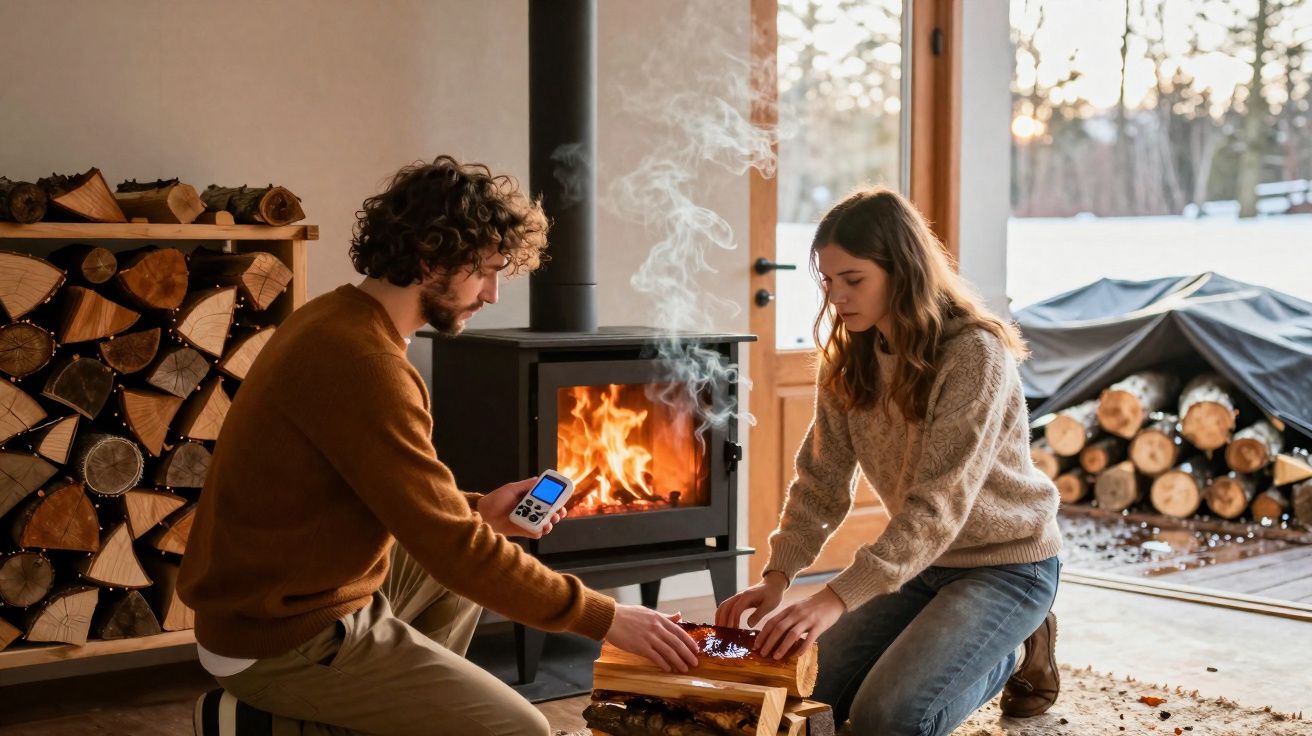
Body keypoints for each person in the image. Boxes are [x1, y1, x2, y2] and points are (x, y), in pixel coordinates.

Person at [180, 156, 699, 736]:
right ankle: (257, 723)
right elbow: (454, 547)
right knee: (521, 730)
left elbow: (414, 510)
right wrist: (606, 617)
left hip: (303, 594)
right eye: (485, 272)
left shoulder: (339, 318)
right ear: (431, 259)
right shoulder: (366, 364)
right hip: (281, 633)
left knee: (467, 557)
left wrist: (476, 511)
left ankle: (390, 713)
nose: (495, 295)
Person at [716, 187, 1063, 736]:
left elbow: (938, 505)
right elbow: (820, 481)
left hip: (1006, 566)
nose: (837, 298)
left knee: (888, 718)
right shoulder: (849, 360)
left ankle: (1014, 650)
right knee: (798, 692)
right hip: (921, 567)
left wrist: (834, 598)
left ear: (903, 271)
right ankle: (959, 643)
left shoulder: (974, 354)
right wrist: (779, 575)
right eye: (828, 282)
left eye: (854, 280)